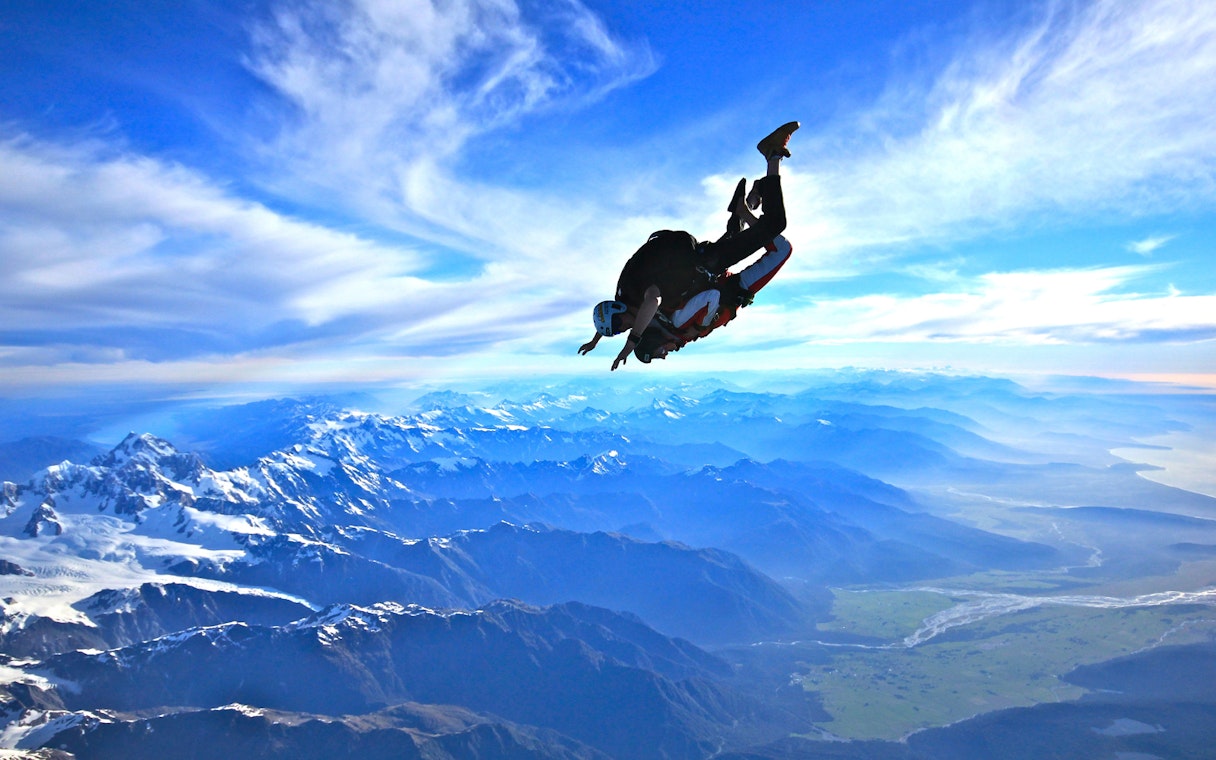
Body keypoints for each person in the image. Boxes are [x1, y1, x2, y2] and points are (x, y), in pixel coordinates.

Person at [579, 121, 798, 370]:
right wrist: (597, 339)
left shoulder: (637, 294)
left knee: (774, 224)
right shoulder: (623, 298)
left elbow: (653, 300)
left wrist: (631, 343)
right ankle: (745, 205)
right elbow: (611, 313)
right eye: (618, 331)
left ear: (619, 312)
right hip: (699, 262)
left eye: (619, 326)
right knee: (736, 237)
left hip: (704, 263)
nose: (622, 329)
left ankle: (773, 155)